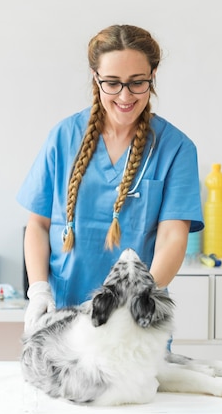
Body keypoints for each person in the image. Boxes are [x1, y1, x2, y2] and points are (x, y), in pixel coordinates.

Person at [17, 24, 204, 333]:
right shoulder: (64, 137)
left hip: (137, 319)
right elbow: (38, 224)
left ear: (152, 76)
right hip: (65, 317)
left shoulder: (175, 148)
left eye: (137, 83)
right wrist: (38, 290)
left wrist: (139, 303)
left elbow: (173, 236)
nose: (125, 96)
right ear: (96, 79)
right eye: (113, 83)